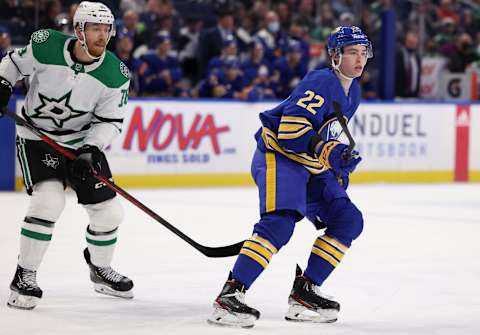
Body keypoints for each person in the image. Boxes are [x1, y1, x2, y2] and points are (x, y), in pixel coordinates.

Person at [207, 26, 373, 328]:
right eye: (352, 52)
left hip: (308, 164)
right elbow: (290, 131)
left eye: (363, 53)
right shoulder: (322, 80)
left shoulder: (354, 91)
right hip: (279, 155)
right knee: (280, 222)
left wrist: (334, 165)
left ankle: (305, 292)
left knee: (348, 220)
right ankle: (230, 296)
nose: (359, 59)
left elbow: (325, 133)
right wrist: (329, 152)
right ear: (335, 56)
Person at [0, 1, 133, 310]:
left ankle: (100, 269)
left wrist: (90, 149)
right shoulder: (46, 45)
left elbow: (110, 121)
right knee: (48, 201)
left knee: (110, 213)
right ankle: (25, 275)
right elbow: (14, 64)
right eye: (95, 28)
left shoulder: (116, 74)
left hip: (81, 144)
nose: (102, 36)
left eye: (107, 29)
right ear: (78, 30)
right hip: (37, 137)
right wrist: (3, 82)